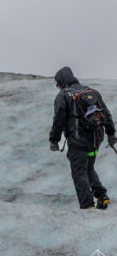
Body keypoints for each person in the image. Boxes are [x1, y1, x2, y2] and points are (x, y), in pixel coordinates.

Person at [49, 66, 116, 210]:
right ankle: (101, 195)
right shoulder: (92, 92)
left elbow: (59, 119)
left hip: (78, 141)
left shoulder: (63, 95)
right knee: (88, 167)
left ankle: (88, 206)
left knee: (79, 171)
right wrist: (111, 134)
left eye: (58, 83)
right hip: (95, 140)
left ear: (62, 81)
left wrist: (54, 139)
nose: (58, 87)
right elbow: (106, 113)